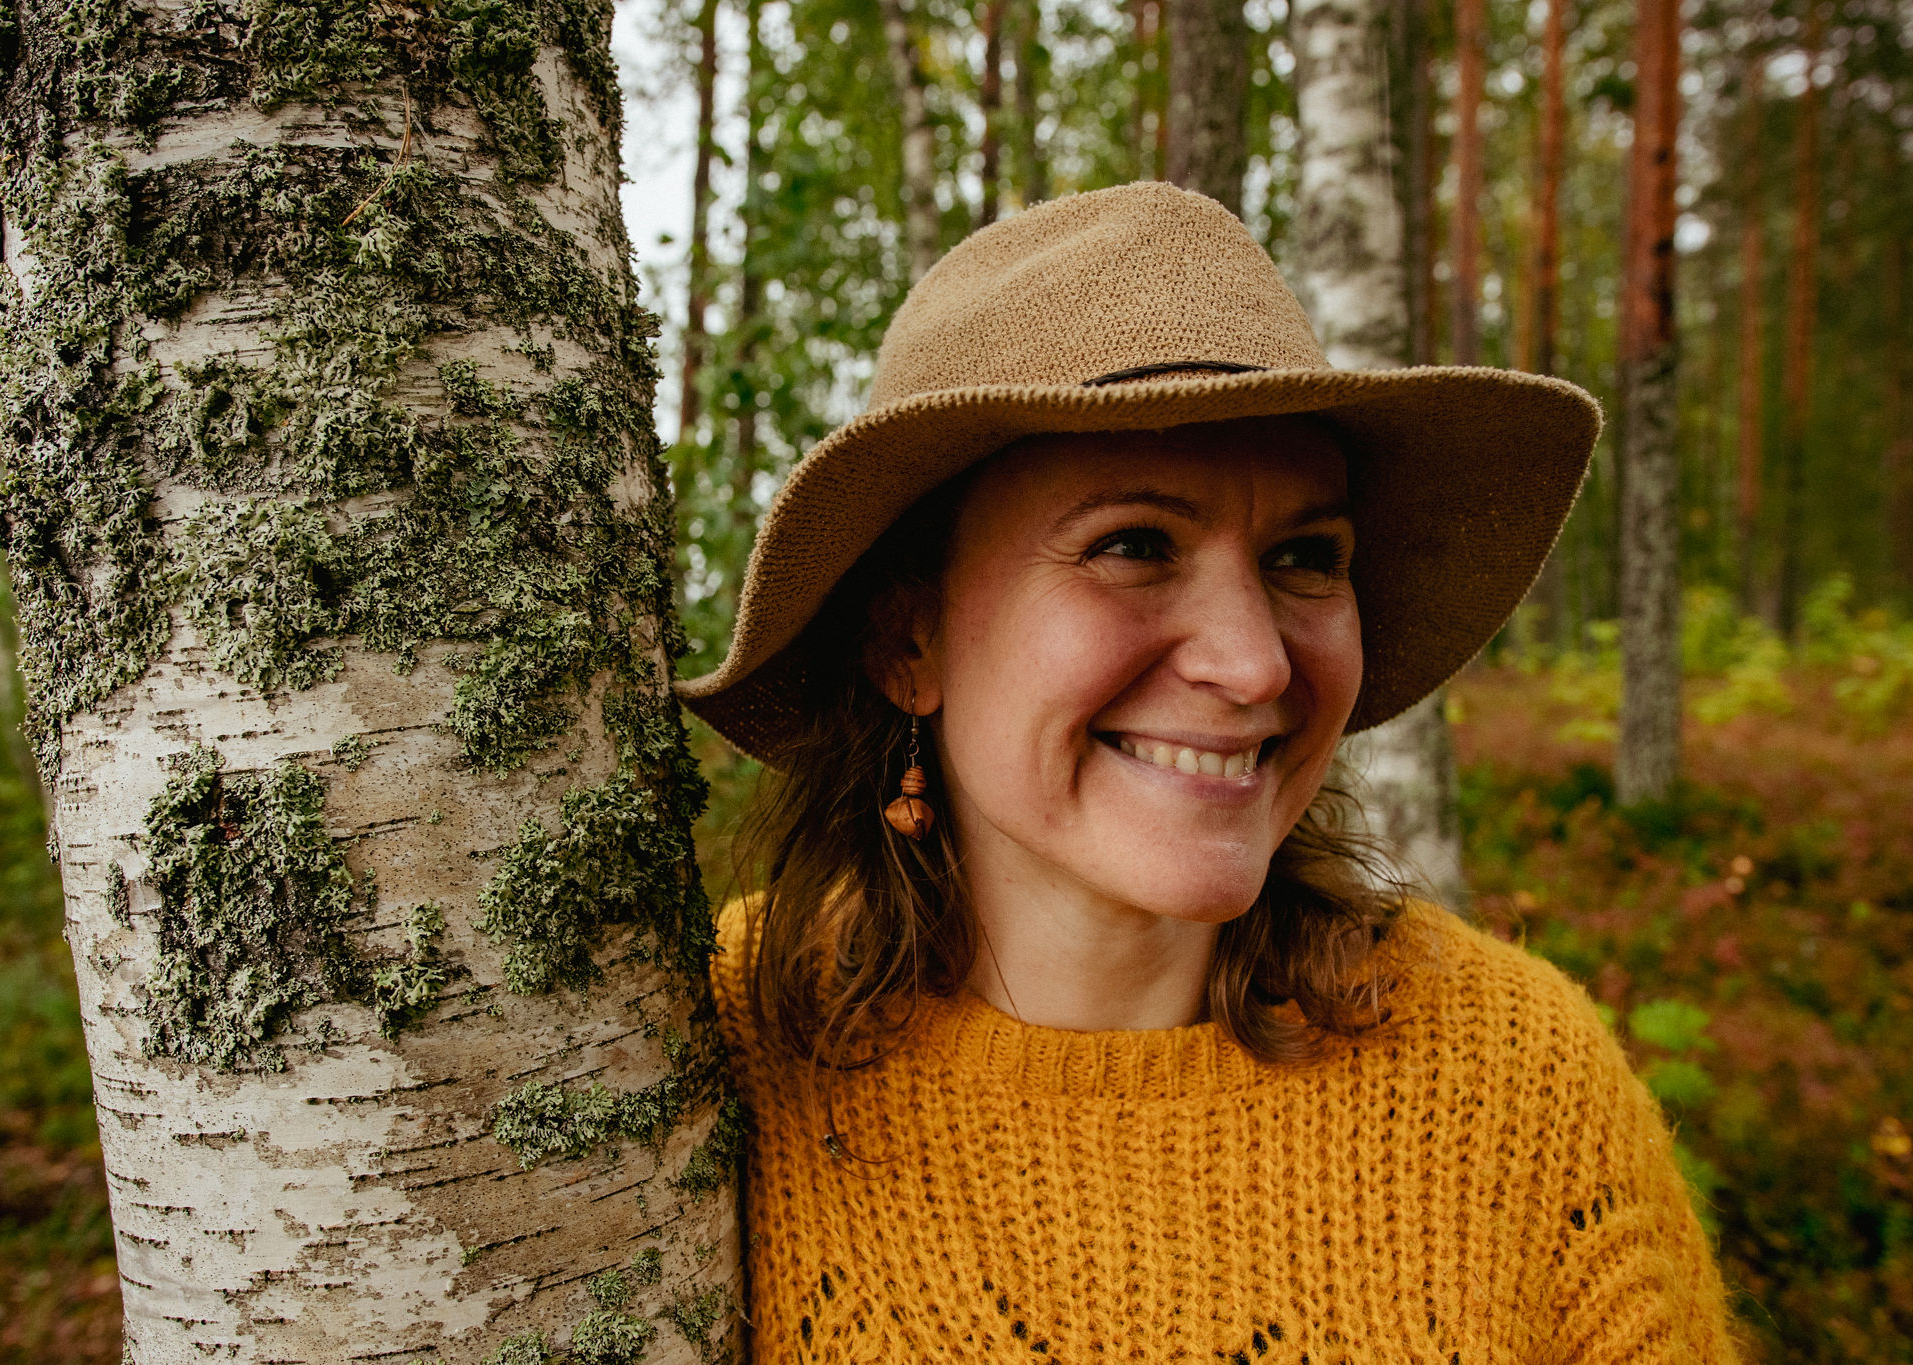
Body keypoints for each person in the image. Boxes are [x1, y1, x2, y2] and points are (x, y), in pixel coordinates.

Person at [675, 182, 1742, 1363]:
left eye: (1303, 557)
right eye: (1132, 546)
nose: (1248, 663)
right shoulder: (703, 1051)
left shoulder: (1511, 1083)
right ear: (905, 641)